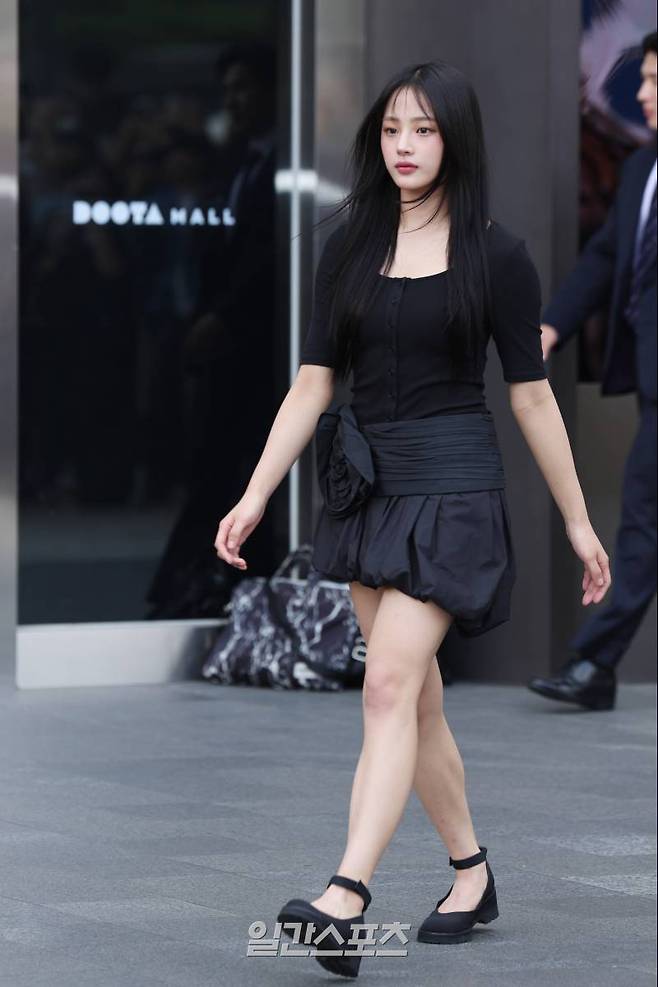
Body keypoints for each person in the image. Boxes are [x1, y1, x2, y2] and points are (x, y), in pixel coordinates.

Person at [215, 60, 611, 978]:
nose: (404, 146)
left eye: (424, 130)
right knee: (417, 700)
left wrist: (578, 521)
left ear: (454, 140)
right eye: (393, 128)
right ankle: (472, 872)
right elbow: (312, 385)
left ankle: (344, 896)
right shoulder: (349, 244)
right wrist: (257, 492)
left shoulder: (497, 255)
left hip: (457, 490)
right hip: (367, 490)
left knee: (387, 687)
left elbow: (533, 397)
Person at [528, 30, 657, 713]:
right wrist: (553, 325)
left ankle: (594, 662)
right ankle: (595, 665)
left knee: (643, 517)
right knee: (645, 518)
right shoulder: (641, 169)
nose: (642, 93)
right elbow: (606, 256)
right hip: (651, 380)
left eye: (655, 81)